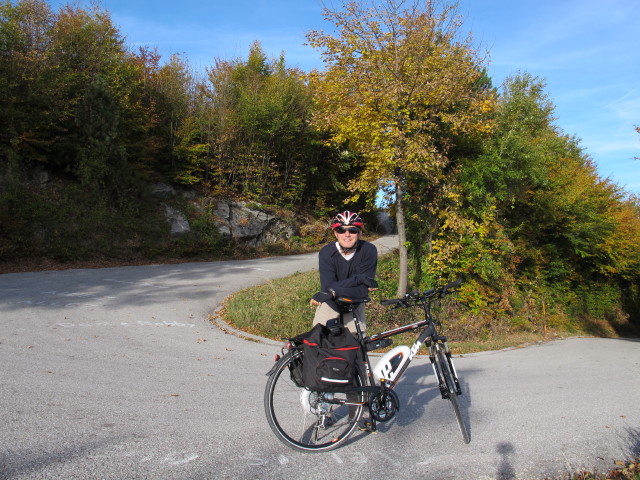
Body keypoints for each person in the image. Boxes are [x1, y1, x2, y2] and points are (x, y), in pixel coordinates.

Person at [310, 211, 378, 335]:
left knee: (355, 350)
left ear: (360, 233)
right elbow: (327, 286)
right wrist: (359, 278)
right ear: (335, 233)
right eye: (341, 230)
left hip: (355, 307)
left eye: (353, 230)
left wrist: (332, 292)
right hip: (330, 306)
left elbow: (362, 291)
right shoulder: (326, 252)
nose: (347, 234)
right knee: (318, 347)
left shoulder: (368, 250)